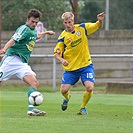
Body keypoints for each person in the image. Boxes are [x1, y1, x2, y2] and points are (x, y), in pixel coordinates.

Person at [0, 9, 55, 116]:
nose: (34, 24)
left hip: (22, 63)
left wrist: (46, 32)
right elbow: (13, 39)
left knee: (34, 83)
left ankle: (31, 109)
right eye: (32, 21)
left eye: (36, 22)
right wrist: (4, 49)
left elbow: (36, 36)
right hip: (11, 59)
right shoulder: (23, 29)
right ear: (27, 20)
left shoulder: (33, 30)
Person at [54, 11, 105, 115]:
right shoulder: (62, 37)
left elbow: (97, 26)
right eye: (65, 23)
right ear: (63, 23)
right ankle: (67, 98)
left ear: (73, 21)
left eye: (69, 22)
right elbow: (57, 53)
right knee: (63, 91)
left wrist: (100, 20)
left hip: (85, 65)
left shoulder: (82, 28)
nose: (68, 25)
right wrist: (62, 60)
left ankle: (82, 107)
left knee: (90, 87)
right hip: (71, 69)